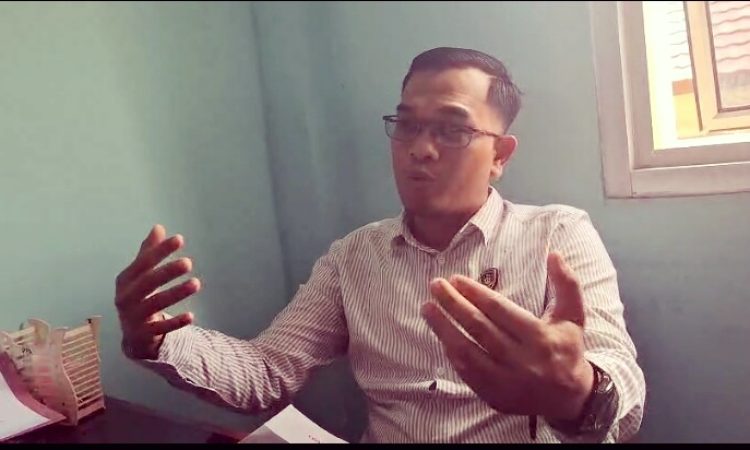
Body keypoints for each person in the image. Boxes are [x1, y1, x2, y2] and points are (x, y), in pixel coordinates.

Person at [114, 47, 645, 443]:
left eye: (452, 131)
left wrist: (581, 392)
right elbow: (267, 371)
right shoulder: (354, 257)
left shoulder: (557, 234)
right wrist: (158, 339)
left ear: (500, 155)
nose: (420, 149)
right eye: (407, 126)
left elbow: (621, 378)